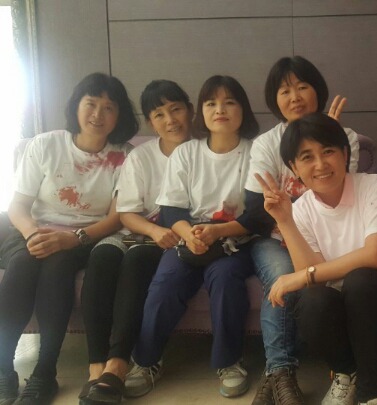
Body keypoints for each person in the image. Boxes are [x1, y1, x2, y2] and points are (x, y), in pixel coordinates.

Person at [255, 112, 377, 405]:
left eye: (328, 152)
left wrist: (303, 275)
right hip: (345, 319)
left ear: (345, 154)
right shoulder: (301, 209)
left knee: (360, 280)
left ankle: (373, 394)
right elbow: (311, 278)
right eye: (307, 157)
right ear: (294, 167)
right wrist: (285, 221)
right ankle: (347, 372)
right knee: (310, 299)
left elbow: (375, 255)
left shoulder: (375, 186)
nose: (320, 164)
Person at [0, 72, 137, 405]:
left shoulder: (126, 155)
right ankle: (4, 369)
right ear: (76, 106)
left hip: (85, 237)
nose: (98, 114)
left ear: (119, 115)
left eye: (109, 107)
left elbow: (116, 217)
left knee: (57, 266)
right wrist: (34, 235)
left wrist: (73, 239)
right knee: (22, 266)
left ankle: (45, 373)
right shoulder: (45, 145)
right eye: (91, 104)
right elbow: (18, 206)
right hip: (35, 229)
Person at [237, 55, 359, 405]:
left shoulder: (346, 137)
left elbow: (342, 196)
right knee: (282, 273)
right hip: (275, 237)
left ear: (317, 90)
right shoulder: (266, 143)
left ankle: (281, 376)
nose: (295, 97)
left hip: (327, 235)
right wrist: (288, 224)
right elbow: (257, 209)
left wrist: (330, 139)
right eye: (284, 91)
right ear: (274, 100)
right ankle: (282, 373)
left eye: (302, 86)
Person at [129, 75, 258, 399]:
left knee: (225, 279)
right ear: (201, 111)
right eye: (211, 103)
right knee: (166, 283)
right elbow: (171, 209)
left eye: (229, 102)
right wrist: (190, 235)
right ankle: (145, 361)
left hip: (234, 239)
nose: (220, 110)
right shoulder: (187, 153)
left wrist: (218, 231)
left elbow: (257, 214)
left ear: (243, 109)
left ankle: (229, 362)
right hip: (190, 236)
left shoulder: (256, 152)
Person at [78, 80, 193, 404]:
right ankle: (96, 369)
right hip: (137, 231)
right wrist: (153, 231)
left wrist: (160, 235)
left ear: (190, 111)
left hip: (169, 238)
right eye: (159, 114)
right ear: (150, 122)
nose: (170, 120)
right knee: (102, 257)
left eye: (176, 110)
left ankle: (117, 366)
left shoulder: (201, 152)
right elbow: (126, 213)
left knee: (137, 260)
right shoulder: (142, 156)